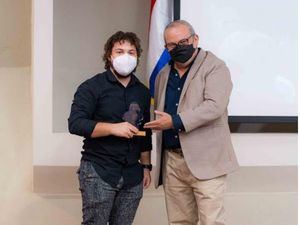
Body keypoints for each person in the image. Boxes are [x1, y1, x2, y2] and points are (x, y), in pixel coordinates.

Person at [144, 20, 239, 225]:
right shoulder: (162, 75)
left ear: (195, 39)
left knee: (211, 222)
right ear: (166, 47)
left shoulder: (215, 67)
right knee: (179, 222)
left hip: (207, 161)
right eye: (171, 45)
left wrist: (175, 121)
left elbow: (214, 106)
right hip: (173, 162)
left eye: (183, 41)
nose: (178, 48)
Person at [68, 31, 152, 225]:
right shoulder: (91, 87)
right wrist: (113, 128)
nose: (126, 56)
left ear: (137, 57)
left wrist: (146, 166)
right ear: (109, 55)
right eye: (120, 51)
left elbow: (145, 133)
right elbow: (75, 123)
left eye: (131, 52)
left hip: (133, 174)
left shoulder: (143, 92)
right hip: (99, 170)